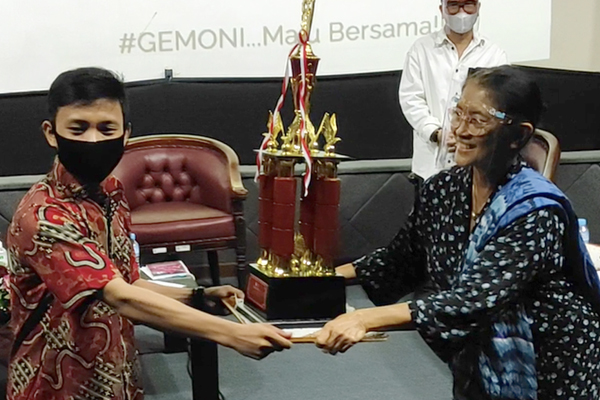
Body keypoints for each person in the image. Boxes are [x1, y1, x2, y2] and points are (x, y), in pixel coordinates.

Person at [6, 67, 292, 400]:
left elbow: (129, 282)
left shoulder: (111, 192)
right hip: (54, 386)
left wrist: (196, 296)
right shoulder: (43, 215)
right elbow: (118, 296)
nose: (93, 140)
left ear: (125, 133)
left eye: (106, 128)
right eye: (78, 128)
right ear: (51, 133)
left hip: (115, 377)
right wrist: (230, 334)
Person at [317, 66, 600, 399]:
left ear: (519, 136)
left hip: (548, 368)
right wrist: (320, 279)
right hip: (476, 366)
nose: (460, 130)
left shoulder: (536, 210)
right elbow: (401, 260)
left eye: (477, 120)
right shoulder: (444, 189)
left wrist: (366, 319)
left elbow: (473, 300)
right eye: (458, 113)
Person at [400, 0, 507, 181]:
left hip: (477, 168)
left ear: (478, 7)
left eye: (468, 4)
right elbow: (411, 99)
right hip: (430, 167)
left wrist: (472, 133)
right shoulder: (421, 49)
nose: (461, 12)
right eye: (454, 5)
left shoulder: (494, 55)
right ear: (442, 9)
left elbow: (499, 106)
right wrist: (436, 133)